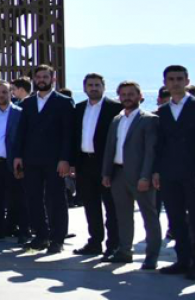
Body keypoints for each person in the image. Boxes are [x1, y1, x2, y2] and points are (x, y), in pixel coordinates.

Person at [13, 64, 76, 254]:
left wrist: (65, 159)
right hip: (31, 159)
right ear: (34, 79)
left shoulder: (64, 102)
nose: (41, 80)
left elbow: (69, 133)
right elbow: (21, 131)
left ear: (53, 79)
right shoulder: (28, 103)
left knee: (56, 199)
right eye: (38, 77)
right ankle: (41, 236)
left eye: (45, 77)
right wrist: (18, 155)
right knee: (33, 198)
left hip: (55, 160)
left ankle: (57, 239)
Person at [100, 81, 160, 269]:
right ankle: (125, 251)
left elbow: (151, 151)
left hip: (140, 176)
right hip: (118, 174)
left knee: (149, 216)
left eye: (131, 94)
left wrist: (145, 176)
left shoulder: (149, 119)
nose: (127, 98)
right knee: (123, 216)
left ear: (140, 96)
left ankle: (151, 256)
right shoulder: (117, 120)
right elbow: (110, 148)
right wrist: (106, 173)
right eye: (123, 94)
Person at [72, 73, 123, 258]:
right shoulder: (78, 108)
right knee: (90, 205)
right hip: (84, 163)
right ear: (84, 88)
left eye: (97, 85)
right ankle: (94, 242)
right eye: (90, 85)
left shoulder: (115, 108)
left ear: (104, 87)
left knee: (111, 206)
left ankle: (113, 245)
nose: (93, 88)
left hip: (106, 163)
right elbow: (74, 136)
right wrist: (72, 163)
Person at [155, 65, 195, 279]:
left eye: (180, 79)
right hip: (169, 173)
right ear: (165, 83)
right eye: (171, 79)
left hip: (193, 172)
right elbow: (159, 145)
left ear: (187, 81)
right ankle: (182, 260)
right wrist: (156, 172)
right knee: (176, 219)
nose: (176, 83)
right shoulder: (161, 112)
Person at [0, 81, 26, 243]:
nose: (1, 95)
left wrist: (21, 159)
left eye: (4, 92)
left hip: (14, 162)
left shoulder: (20, 113)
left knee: (18, 199)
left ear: (11, 93)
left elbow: (24, 139)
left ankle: (23, 231)